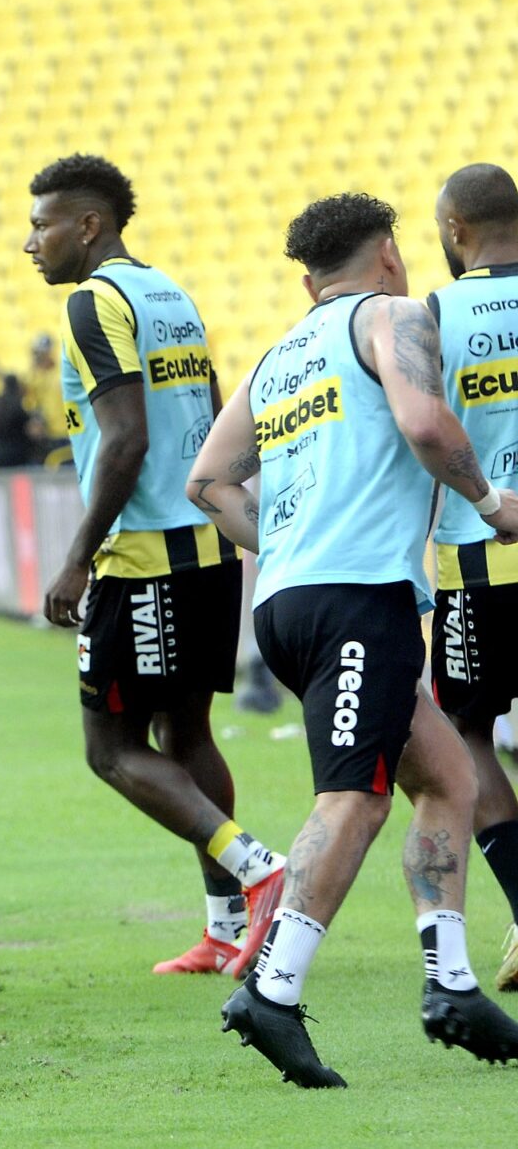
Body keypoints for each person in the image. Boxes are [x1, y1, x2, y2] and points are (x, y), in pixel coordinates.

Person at [189, 192, 518, 1086]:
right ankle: (272, 990)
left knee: (448, 779)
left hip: (290, 602)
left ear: (309, 281)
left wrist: (287, 544)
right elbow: (425, 422)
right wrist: (493, 505)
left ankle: (451, 983)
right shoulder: (394, 317)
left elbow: (208, 482)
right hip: (357, 600)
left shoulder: (278, 358)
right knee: (355, 799)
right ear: (390, 255)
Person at [24, 153, 285, 977]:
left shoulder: (91, 303)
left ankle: (258, 869)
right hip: (205, 548)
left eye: (42, 225)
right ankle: (225, 929)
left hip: (143, 558)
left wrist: (77, 559)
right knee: (185, 730)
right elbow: (211, 412)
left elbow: (127, 437)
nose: (30, 242)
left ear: (88, 225)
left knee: (110, 747)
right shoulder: (169, 293)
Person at [426, 162, 518, 989]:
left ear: (456, 230)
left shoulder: (432, 314)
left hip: (480, 560)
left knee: (467, 733)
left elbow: (418, 436)